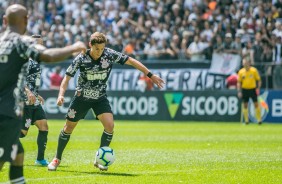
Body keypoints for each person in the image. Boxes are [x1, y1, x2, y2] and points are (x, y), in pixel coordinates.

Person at [47, 32, 165, 171]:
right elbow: (66, 78)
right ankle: (57, 159)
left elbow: (132, 61)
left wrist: (150, 75)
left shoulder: (109, 54)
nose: (100, 52)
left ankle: (99, 159)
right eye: (97, 49)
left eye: (102, 49)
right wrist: (61, 95)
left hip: (100, 98)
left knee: (109, 126)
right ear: (90, 45)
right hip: (81, 98)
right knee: (68, 128)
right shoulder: (81, 57)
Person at [0, 4, 86, 184]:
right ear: (26, 21)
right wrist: (73, 48)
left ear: (5, 21)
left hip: (6, 111)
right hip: (6, 113)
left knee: (18, 153)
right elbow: (47, 55)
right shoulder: (21, 42)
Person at [20, 35, 49, 166]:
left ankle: (40, 159)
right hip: (23, 99)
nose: (42, 47)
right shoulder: (25, 59)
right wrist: (28, 91)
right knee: (22, 133)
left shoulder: (37, 61)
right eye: (39, 44)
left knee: (43, 126)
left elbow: (32, 81)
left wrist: (36, 94)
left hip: (34, 99)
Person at [237, 56, 262, 125]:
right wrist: (239, 91)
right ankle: (246, 120)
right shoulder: (241, 72)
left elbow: (258, 80)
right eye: (243, 63)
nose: (244, 64)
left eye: (246, 63)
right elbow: (239, 82)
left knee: (256, 104)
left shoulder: (254, 70)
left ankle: (259, 120)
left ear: (249, 63)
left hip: (252, 89)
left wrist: (258, 88)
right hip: (244, 89)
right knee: (245, 104)